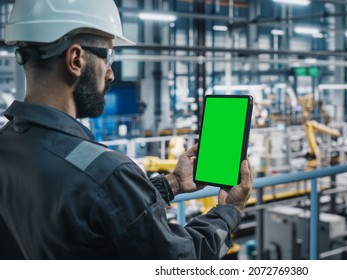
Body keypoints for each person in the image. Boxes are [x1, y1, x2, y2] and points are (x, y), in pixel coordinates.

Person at [0, 0, 253, 260]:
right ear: (75, 59)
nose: (110, 74)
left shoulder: (7, 147)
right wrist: (229, 211)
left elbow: (98, 207)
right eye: (108, 57)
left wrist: (172, 184)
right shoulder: (107, 172)